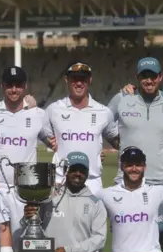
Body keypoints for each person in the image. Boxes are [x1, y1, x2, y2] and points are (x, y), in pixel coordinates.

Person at [0, 66, 54, 238]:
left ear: (25, 86)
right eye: (9, 85)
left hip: (26, 192)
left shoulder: (38, 114)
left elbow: (55, 143)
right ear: (2, 86)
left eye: (18, 85)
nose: (13, 89)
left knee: (22, 247)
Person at [108, 57, 163, 186]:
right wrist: (115, 141)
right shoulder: (121, 99)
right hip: (126, 181)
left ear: (160, 77)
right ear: (137, 77)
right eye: (144, 76)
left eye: (153, 76)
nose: (149, 81)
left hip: (162, 182)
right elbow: (103, 124)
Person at [46, 62, 119, 195]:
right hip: (60, 181)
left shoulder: (103, 112)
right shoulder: (53, 110)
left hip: (92, 181)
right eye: (74, 79)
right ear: (67, 80)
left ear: (90, 80)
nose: (79, 83)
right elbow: (38, 133)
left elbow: (118, 141)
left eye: (83, 79)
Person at [21, 151, 107, 252]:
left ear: (87, 173)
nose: (78, 174)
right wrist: (28, 217)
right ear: (65, 170)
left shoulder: (96, 204)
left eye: (82, 171)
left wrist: (68, 250)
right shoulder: (48, 196)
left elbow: (99, 239)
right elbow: (31, 226)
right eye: (73, 170)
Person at [98, 147, 163, 252]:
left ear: (144, 167)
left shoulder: (157, 191)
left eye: (138, 164)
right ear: (122, 167)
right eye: (129, 165)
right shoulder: (106, 194)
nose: (134, 169)